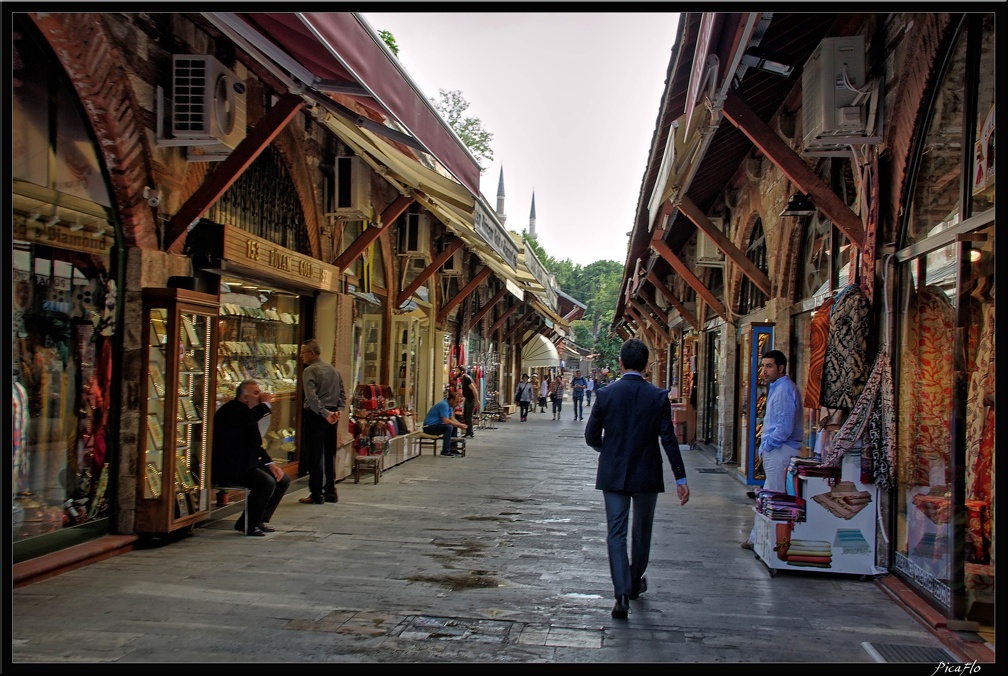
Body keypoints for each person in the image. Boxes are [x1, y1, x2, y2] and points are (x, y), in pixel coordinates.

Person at [584, 338, 689, 619]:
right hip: (647, 473)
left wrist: (606, 450)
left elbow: (590, 436)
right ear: (647, 365)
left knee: (615, 533)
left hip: (613, 472)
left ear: (620, 363)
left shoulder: (606, 395)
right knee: (642, 532)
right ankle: (633, 583)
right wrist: (681, 478)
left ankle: (621, 594)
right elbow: (669, 440)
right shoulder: (657, 396)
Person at [212, 379, 291, 536]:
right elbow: (246, 422)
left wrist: (270, 463)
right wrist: (266, 405)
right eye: (256, 393)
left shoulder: (248, 412)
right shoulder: (231, 412)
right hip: (231, 467)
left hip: (248, 463)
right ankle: (250, 524)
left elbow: (256, 444)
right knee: (265, 483)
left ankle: (258, 519)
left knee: (282, 480)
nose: (261, 396)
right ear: (244, 397)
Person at [741, 349, 803, 550]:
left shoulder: (784, 390)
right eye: (763, 366)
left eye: (769, 366)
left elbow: (784, 427)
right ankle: (757, 538)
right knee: (767, 497)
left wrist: (767, 446)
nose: (764, 371)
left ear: (781, 368)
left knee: (775, 498)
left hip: (780, 450)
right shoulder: (778, 388)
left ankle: (775, 543)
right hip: (776, 450)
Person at [297, 338, 346, 505]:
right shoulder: (333, 370)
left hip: (316, 416)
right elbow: (342, 393)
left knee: (314, 455)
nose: (301, 356)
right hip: (332, 417)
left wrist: (324, 413)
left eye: (303, 352)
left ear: (311, 353)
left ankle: (316, 494)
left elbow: (311, 397)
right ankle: (331, 492)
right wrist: (338, 411)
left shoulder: (310, 370)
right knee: (329, 453)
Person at [423, 388, 467, 456]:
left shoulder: (450, 406)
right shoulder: (444, 405)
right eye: (457, 402)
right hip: (428, 427)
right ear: (451, 400)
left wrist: (460, 425)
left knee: (453, 426)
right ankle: (445, 450)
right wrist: (459, 425)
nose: (458, 404)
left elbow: (452, 418)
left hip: (436, 426)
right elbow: (446, 421)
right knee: (448, 427)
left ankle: (453, 448)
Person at [456, 365, 478, 438]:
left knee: (468, 416)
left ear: (462, 372)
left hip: (470, 399)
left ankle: (470, 432)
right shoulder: (462, 378)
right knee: (465, 415)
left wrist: (477, 400)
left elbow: (474, 389)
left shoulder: (466, 378)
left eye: (457, 371)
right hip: (467, 399)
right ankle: (468, 431)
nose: (456, 372)